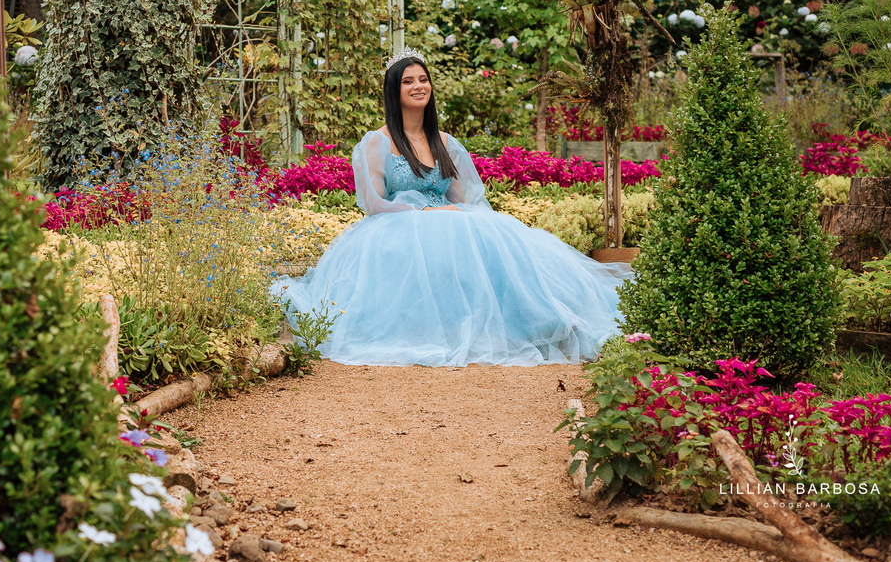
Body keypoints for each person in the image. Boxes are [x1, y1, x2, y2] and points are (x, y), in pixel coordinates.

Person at [270, 48, 631, 367]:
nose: (418, 86)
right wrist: (425, 214)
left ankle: (549, 320)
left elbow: (466, 199)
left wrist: (477, 224)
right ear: (394, 91)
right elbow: (374, 203)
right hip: (397, 227)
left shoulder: (444, 142)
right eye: (408, 81)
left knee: (501, 232)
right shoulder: (377, 142)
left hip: (448, 222)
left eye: (423, 79)